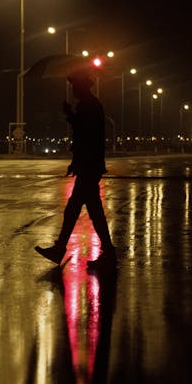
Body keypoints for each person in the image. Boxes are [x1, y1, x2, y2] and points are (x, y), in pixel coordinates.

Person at [35, 68, 116, 269]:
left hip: (89, 166)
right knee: (89, 211)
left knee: (77, 210)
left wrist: (69, 114)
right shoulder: (90, 104)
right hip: (89, 165)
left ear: (81, 85)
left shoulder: (88, 105)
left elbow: (85, 135)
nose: (72, 89)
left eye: (74, 85)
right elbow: (84, 134)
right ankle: (105, 253)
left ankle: (61, 249)